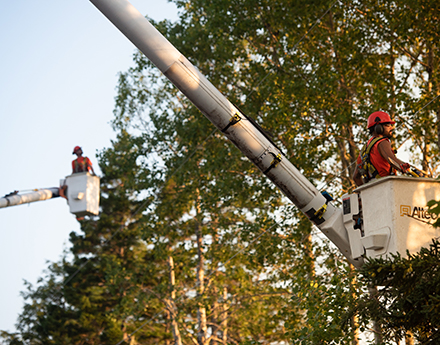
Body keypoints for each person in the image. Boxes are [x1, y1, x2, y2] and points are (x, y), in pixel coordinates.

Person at [353, 111, 410, 187]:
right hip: (386, 185)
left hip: (372, 189)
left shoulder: (364, 150)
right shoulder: (382, 142)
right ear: (378, 127)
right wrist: (405, 167)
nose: (391, 127)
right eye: (388, 125)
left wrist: (364, 192)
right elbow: (391, 160)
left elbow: (356, 177)